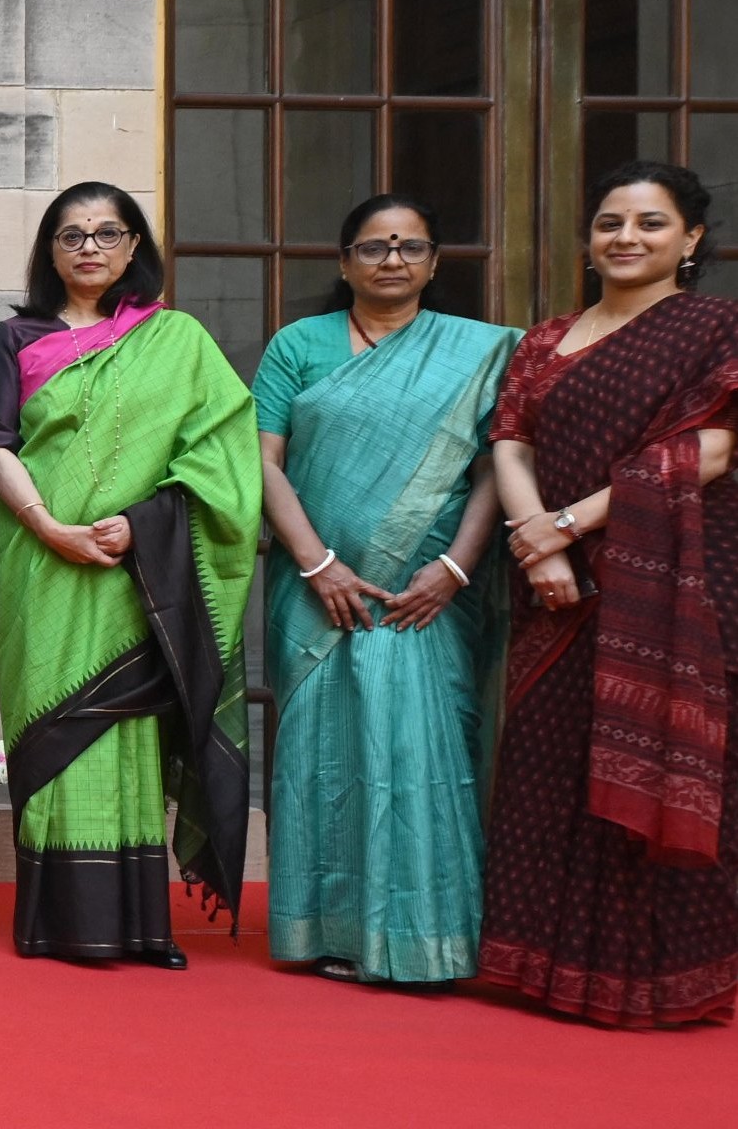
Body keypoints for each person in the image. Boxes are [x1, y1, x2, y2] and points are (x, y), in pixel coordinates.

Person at [0, 182, 257, 967]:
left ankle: (138, 924)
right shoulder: (15, 336)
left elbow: (221, 456)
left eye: (106, 232)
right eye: (70, 234)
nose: (88, 246)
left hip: (137, 567)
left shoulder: (178, 339)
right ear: (49, 250)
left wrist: (144, 522)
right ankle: (60, 921)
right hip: (40, 561)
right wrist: (49, 527)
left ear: (134, 246)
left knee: (126, 728)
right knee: (53, 725)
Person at [483, 159, 738, 1027]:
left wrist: (570, 523)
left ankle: (644, 978)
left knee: (651, 748)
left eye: (649, 223)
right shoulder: (545, 338)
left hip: (663, 587)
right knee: (548, 758)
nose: (625, 238)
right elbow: (509, 442)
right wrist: (533, 543)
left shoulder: (713, 329)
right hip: (553, 587)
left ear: (691, 239)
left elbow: (707, 451)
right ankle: (542, 964)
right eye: (609, 223)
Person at [253, 194, 514, 988]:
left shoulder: (478, 352)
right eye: (372, 246)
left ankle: (425, 940)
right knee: (322, 757)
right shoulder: (297, 345)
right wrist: (315, 563)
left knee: (420, 749)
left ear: (433, 263)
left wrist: (456, 568)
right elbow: (261, 463)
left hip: (426, 593)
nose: (391, 259)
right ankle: (324, 931)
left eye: (408, 246)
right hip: (315, 588)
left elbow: (494, 471)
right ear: (343, 263)